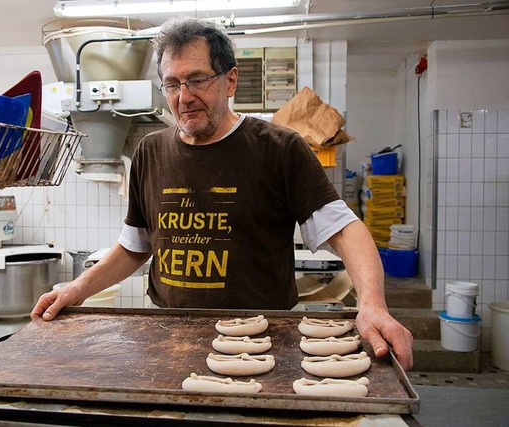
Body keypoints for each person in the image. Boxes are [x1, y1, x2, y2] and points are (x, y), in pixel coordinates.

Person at [31, 17, 413, 370]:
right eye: (172, 83)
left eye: (197, 79)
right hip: (170, 336)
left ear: (230, 80)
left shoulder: (279, 148)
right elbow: (134, 246)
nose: (184, 97)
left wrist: (372, 305)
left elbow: (344, 229)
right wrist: (77, 288)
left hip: (262, 340)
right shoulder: (150, 150)